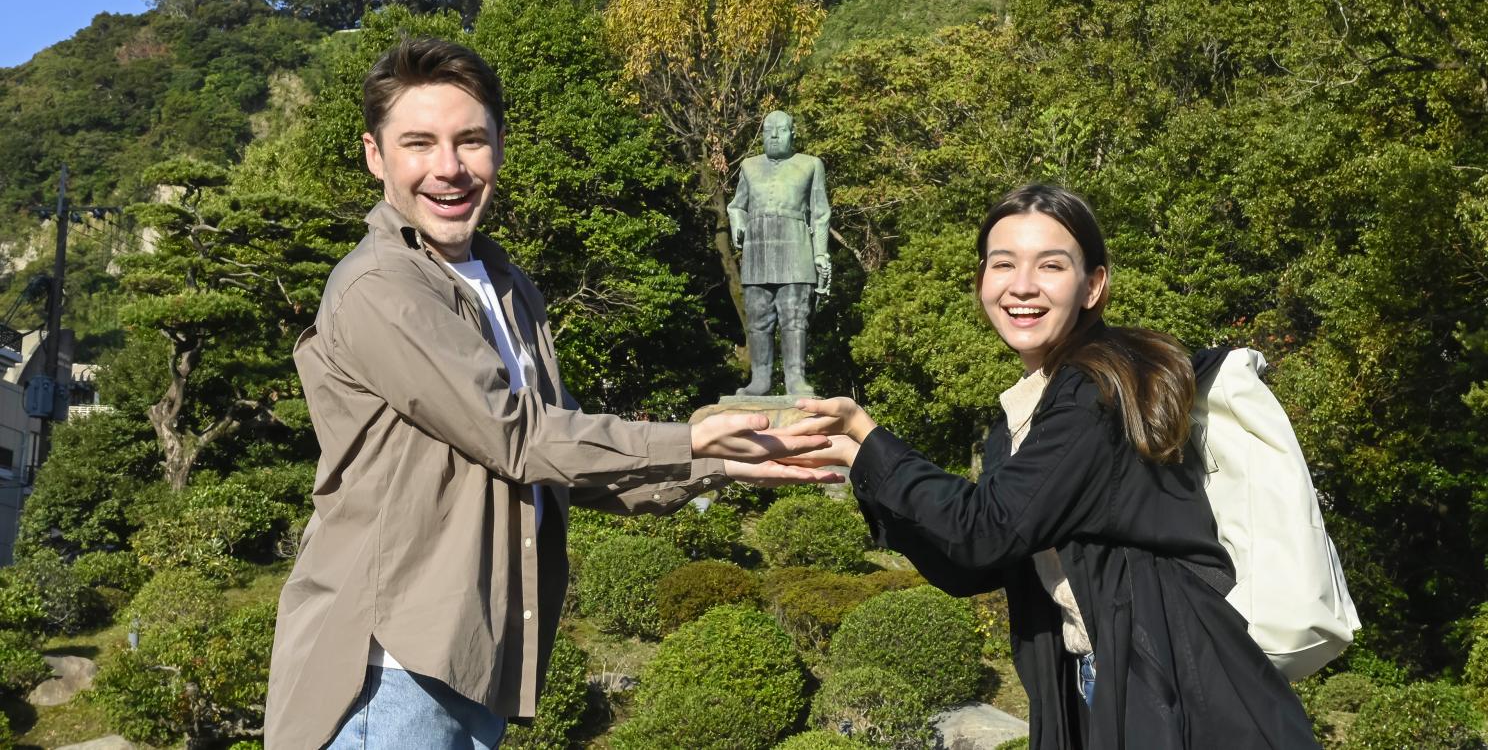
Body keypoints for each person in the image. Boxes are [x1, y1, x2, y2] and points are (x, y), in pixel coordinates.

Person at [265, 37, 836, 749]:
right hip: (391, 673)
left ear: (499, 148)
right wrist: (693, 434)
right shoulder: (384, 285)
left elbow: (554, 464)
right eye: (419, 143)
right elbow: (521, 437)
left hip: (469, 660)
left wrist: (723, 465)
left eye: (470, 140)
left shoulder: (504, 285)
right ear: (375, 156)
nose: (448, 167)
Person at [793, 185, 1317, 748]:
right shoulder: (1025, 413)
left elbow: (983, 529)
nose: (1022, 285)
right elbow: (972, 566)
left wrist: (869, 439)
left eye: (1051, 265)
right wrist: (861, 464)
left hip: (1179, 689)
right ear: (982, 283)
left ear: (1093, 286)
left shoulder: (1098, 393)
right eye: (1003, 264)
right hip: (1104, 682)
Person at [728, 110, 832, 396]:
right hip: (757, 250)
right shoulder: (749, 166)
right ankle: (760, 379)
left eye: (780, 130)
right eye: (768, 130)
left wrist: (820, 254)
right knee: (758, 315)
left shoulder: (810, 165)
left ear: (792, 134)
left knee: (795, 315)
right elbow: (737, 206)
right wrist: (738, 223)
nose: (773, 135)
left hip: (796, 248)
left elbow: (820, 214)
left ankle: (795, 378)